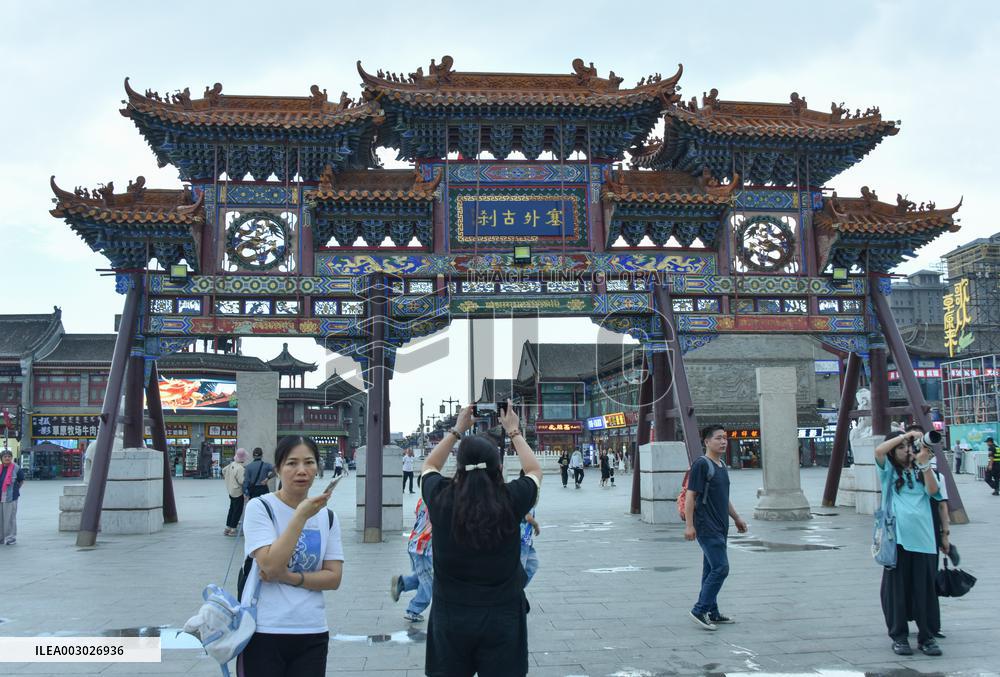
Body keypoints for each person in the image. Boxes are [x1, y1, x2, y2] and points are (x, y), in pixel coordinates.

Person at [420, 400, 541, 677]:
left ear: (458, 468)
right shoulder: (511, 499)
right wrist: (514, 432)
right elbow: (534, 471)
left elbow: (429, 466)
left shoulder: (440, 497)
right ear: (499, 468)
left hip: (450, 618)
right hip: (503, 618)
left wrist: (457, 430)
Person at [240, 436, 344, 677]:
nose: (301, 471)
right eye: (291, 463)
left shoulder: (328, 517)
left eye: (309, 462)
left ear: (318, 468)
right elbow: (269, 564)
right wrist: (300, 516)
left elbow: (333, 578)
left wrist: (288, 576)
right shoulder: (260, 507)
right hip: (263, 629)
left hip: (312, 630)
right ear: (277, 469)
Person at [874, 429, 942, 657]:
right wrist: (906, 436)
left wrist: (924, 464)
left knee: (924, 591)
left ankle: (927, 637)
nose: (906, 450)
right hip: (898, 540)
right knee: (897, 591)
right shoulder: (889, 472)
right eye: (901, 448)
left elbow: (933, 492)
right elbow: (879, 451)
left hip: (924, 539)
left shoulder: (922, 468)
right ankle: (899, 637)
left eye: (908, 447)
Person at [684, 425, 748, 631]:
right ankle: (699, 609)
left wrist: (737, 518)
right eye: (718, 438)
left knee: (710, 569)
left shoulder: (721, 466)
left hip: (721, 526)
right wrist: (689, 525)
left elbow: (724, 498)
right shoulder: (701, 465)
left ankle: (712, 612)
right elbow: (690, 496)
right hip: (706, 526)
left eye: (725, 438)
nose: (723, 442)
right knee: (721, 568)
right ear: (707, 442)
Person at [391, 497, 433, 622]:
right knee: (428, 581)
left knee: (424, 576)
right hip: (424, 548)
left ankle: (403, 582)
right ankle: (414, 609)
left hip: (417, 545)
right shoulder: (437, 500)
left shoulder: (423, 500)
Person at [0, 449, 25, 545]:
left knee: (10, 518)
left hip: (11, 497)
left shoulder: (16, 468)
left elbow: (21, 480)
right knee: (1, 518)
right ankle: (1, 538)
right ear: (1, 459)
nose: (7, 458)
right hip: (0, 496)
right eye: (5, 456)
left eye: (9, 456)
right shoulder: (0, 468)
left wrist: (15, 490)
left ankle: (11, 538)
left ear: (11, 458)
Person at [222, 448, 248, 537]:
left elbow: (223, 471)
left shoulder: (231, 464)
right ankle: (233, 530)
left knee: (231, 509)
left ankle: (227, 528)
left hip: (230, 490)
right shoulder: (240, 468)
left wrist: (229, 479)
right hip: (238, 492)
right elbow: (242, 481)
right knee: (237, 511)